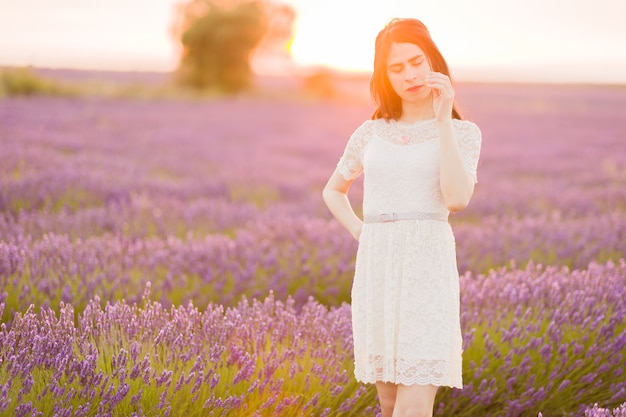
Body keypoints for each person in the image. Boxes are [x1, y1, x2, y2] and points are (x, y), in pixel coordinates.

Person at [322, 18, 482, 417]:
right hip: (378, 267)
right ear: (384, 75)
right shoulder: (370, 132)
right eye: (397, 68)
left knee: (413, 404)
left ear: (434, 62)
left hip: (426, 267)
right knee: (389, 401)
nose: (410, 75)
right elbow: (333, 191)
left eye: (416, 62)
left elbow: (458, 199)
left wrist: (443, 119)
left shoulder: (463, 133)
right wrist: (364, 232)